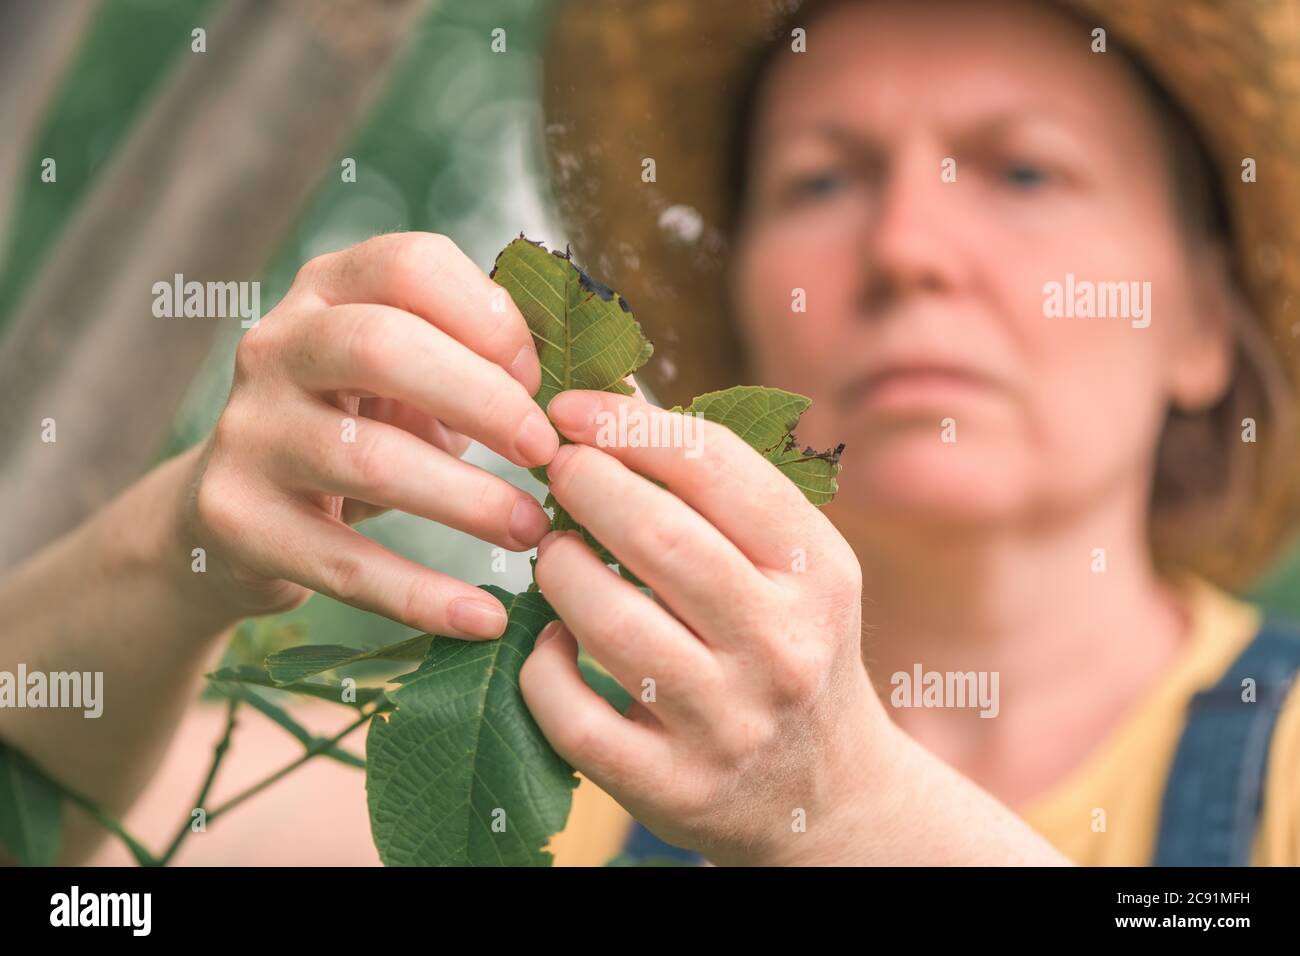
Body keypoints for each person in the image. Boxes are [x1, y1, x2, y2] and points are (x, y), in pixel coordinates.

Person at [2, 0, 1298, 866]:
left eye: (1023, 169)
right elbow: (59, 838)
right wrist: (187, 545)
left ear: (1200, 317)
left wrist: (848, 809)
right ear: (744, 308)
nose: (906, 249)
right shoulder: (546, 759)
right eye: (823, 179)